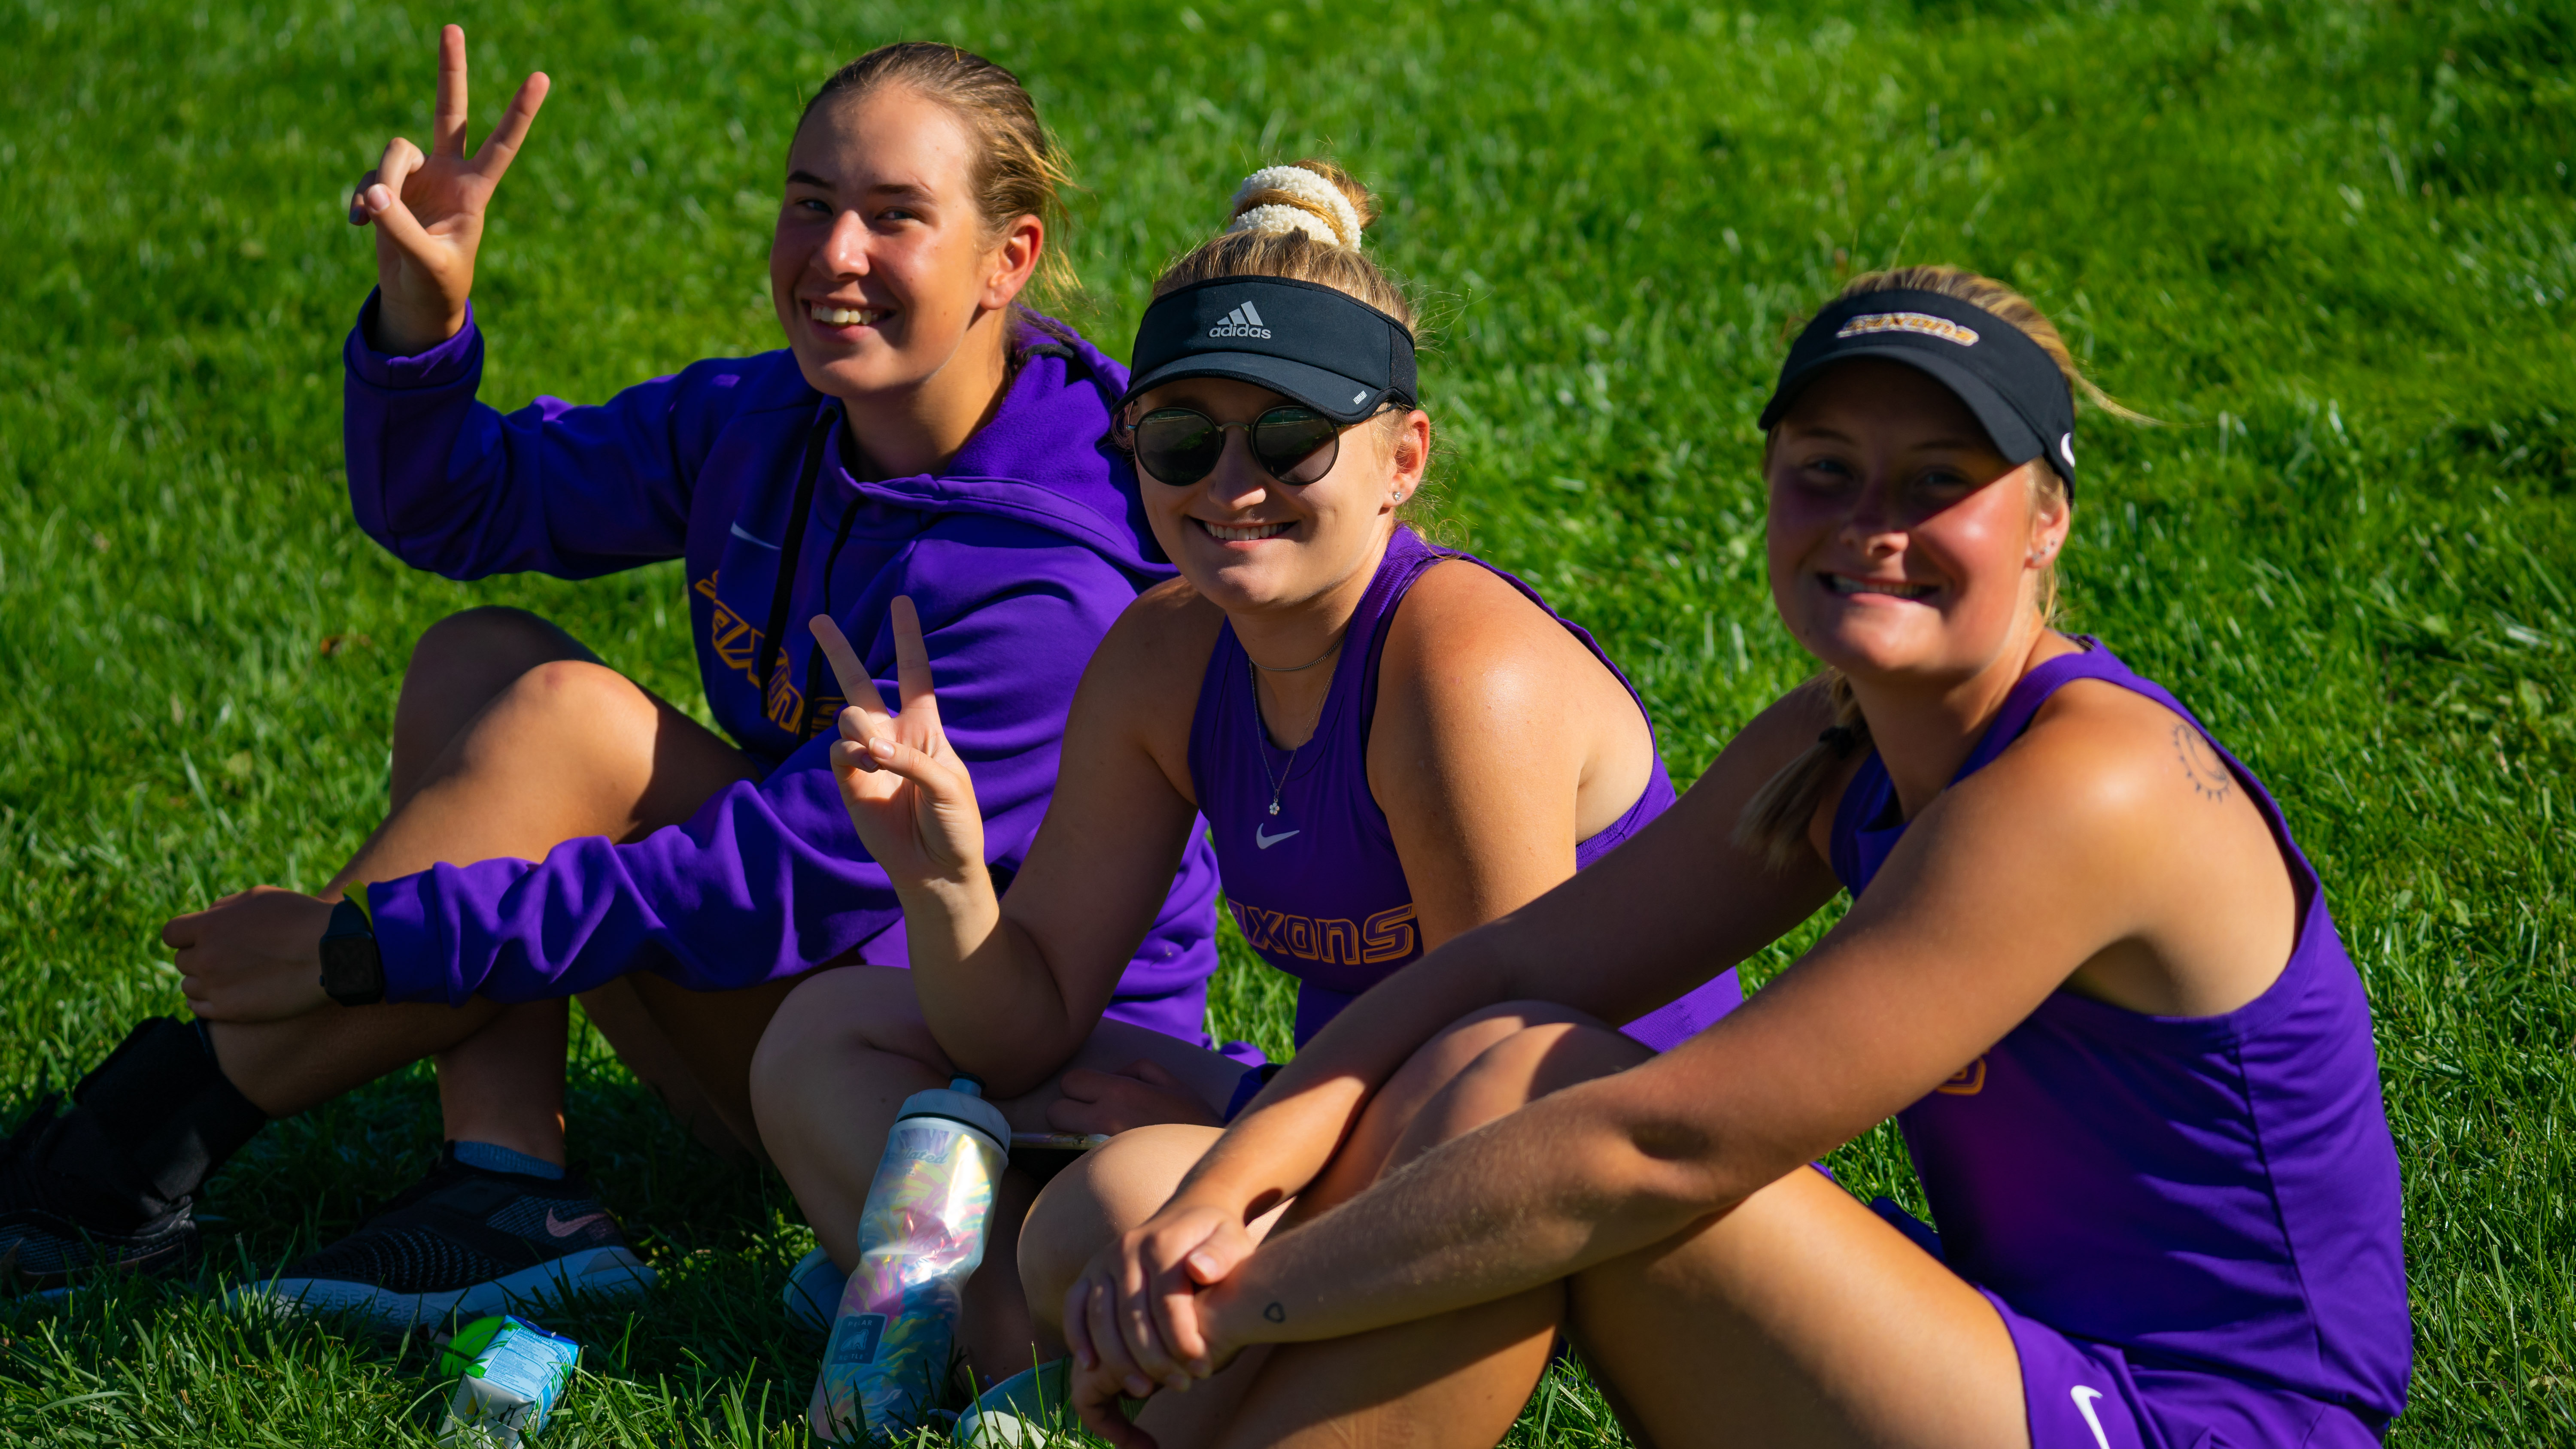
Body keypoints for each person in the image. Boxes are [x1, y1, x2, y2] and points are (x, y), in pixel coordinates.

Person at [1045, 267, 2412, 1449]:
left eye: (1941, 484)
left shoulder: (2089, 783)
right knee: (1495, 1058)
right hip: (2007, 1339)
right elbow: (1504, 965)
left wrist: (1240, 1294)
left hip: (2197, 1419)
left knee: (1534, 1109)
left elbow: (1665, 1145)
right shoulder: (1838, 746)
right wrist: (1235, 1187)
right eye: (1827, 471)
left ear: (2046, 520)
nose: (1872, 521)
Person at [0, 32, 1221, 1327]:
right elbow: (465, 508)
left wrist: (353, 947)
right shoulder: (775, 422)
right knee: (481, 662)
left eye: (895, 218)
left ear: (1009, 257)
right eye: (810, 204)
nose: (835, 256)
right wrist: (426, 319)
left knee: (568, 725)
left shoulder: (1048, 578)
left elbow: (760, 885)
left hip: (935, 1094)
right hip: (816, 978)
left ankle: (123, 1160)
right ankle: (508, 1188)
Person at [750, 160, 1744, 1388]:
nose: (1231, 486)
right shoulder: (1165, 656)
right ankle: (1008, 1347)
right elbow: (1029, 1024)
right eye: (1181, 439)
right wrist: (947, 883)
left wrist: (1236, 1156)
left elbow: (1500, 1083)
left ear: (1403, 457)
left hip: (1580, 1180)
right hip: (1351, 1105)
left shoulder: (1458, 674)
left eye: (1289, 437)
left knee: (1102, 1211)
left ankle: (981, 1327)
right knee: (828, 1035)